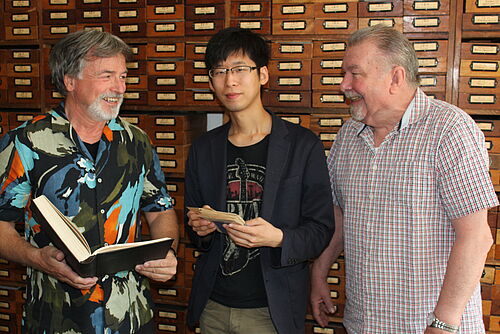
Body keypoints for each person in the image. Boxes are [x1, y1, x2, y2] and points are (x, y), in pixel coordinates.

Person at [310, 25, 498, 333]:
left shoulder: (449, 130)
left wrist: (443, 322)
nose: (344, 84)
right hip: (365, 324)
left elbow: (476, 237)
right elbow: (339, 215)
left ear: (395, 77)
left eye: (355, 73)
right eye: (344, 74)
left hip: (430, 326)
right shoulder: (347, 136)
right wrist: (319, 272)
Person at [0, 30, 178, 333]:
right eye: (107, 76)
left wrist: (167, 254)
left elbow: (160, 211)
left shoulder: (136, 142)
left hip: (130, 317)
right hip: (57, 317)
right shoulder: (25, 143)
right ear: (70, 81)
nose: (119, 87)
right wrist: (36, 258)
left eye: (122, 76)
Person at [184, 27, 334, 334]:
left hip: (272, 310)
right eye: (219, 71)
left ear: (263, 75)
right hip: (213, 306)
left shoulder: (302, 145)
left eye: (240, 69)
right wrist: (200, 228)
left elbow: (321, 229)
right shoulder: (204, 148)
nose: (230, 81)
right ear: (211, 81)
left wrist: (278, 238)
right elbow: (196, 227)